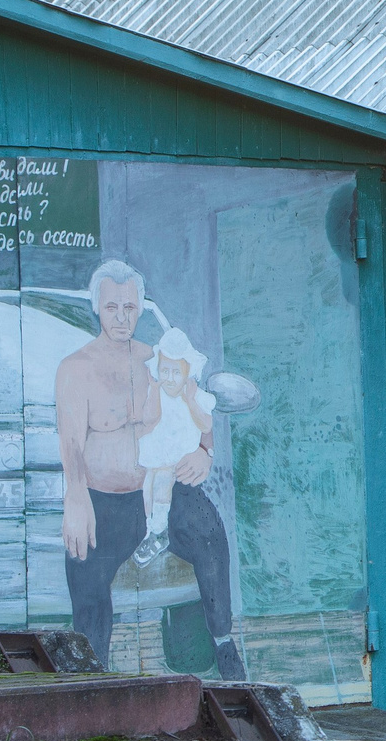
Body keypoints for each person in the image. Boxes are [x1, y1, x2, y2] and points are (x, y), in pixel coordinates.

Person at [54, 259, 245, 678]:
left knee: (210, 534)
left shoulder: (161, 361)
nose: (121, 317)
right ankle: (92, 680)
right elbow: (70, 443)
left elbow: (197, 411)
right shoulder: (75, 369)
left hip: (164, 490)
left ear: (140, 307)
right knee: (85, 571)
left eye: (129, 307)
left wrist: (204, 453)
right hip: (108, 500)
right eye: (111, 308)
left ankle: (223, 645)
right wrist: (76, 497)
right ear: (96, 309)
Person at [133, 329, 215, 569]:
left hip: (176, 453)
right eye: (165, 370)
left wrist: (190, 401)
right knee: (148, 486)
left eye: (176, 372)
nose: (169, 378)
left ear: (188, 373)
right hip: (156, 452)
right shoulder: (154, 391)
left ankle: (158, 532)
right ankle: (153, 531)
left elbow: (206, 424)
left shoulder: (194, 395)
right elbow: (150, 418)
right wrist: (154, 390)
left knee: (161, 484)